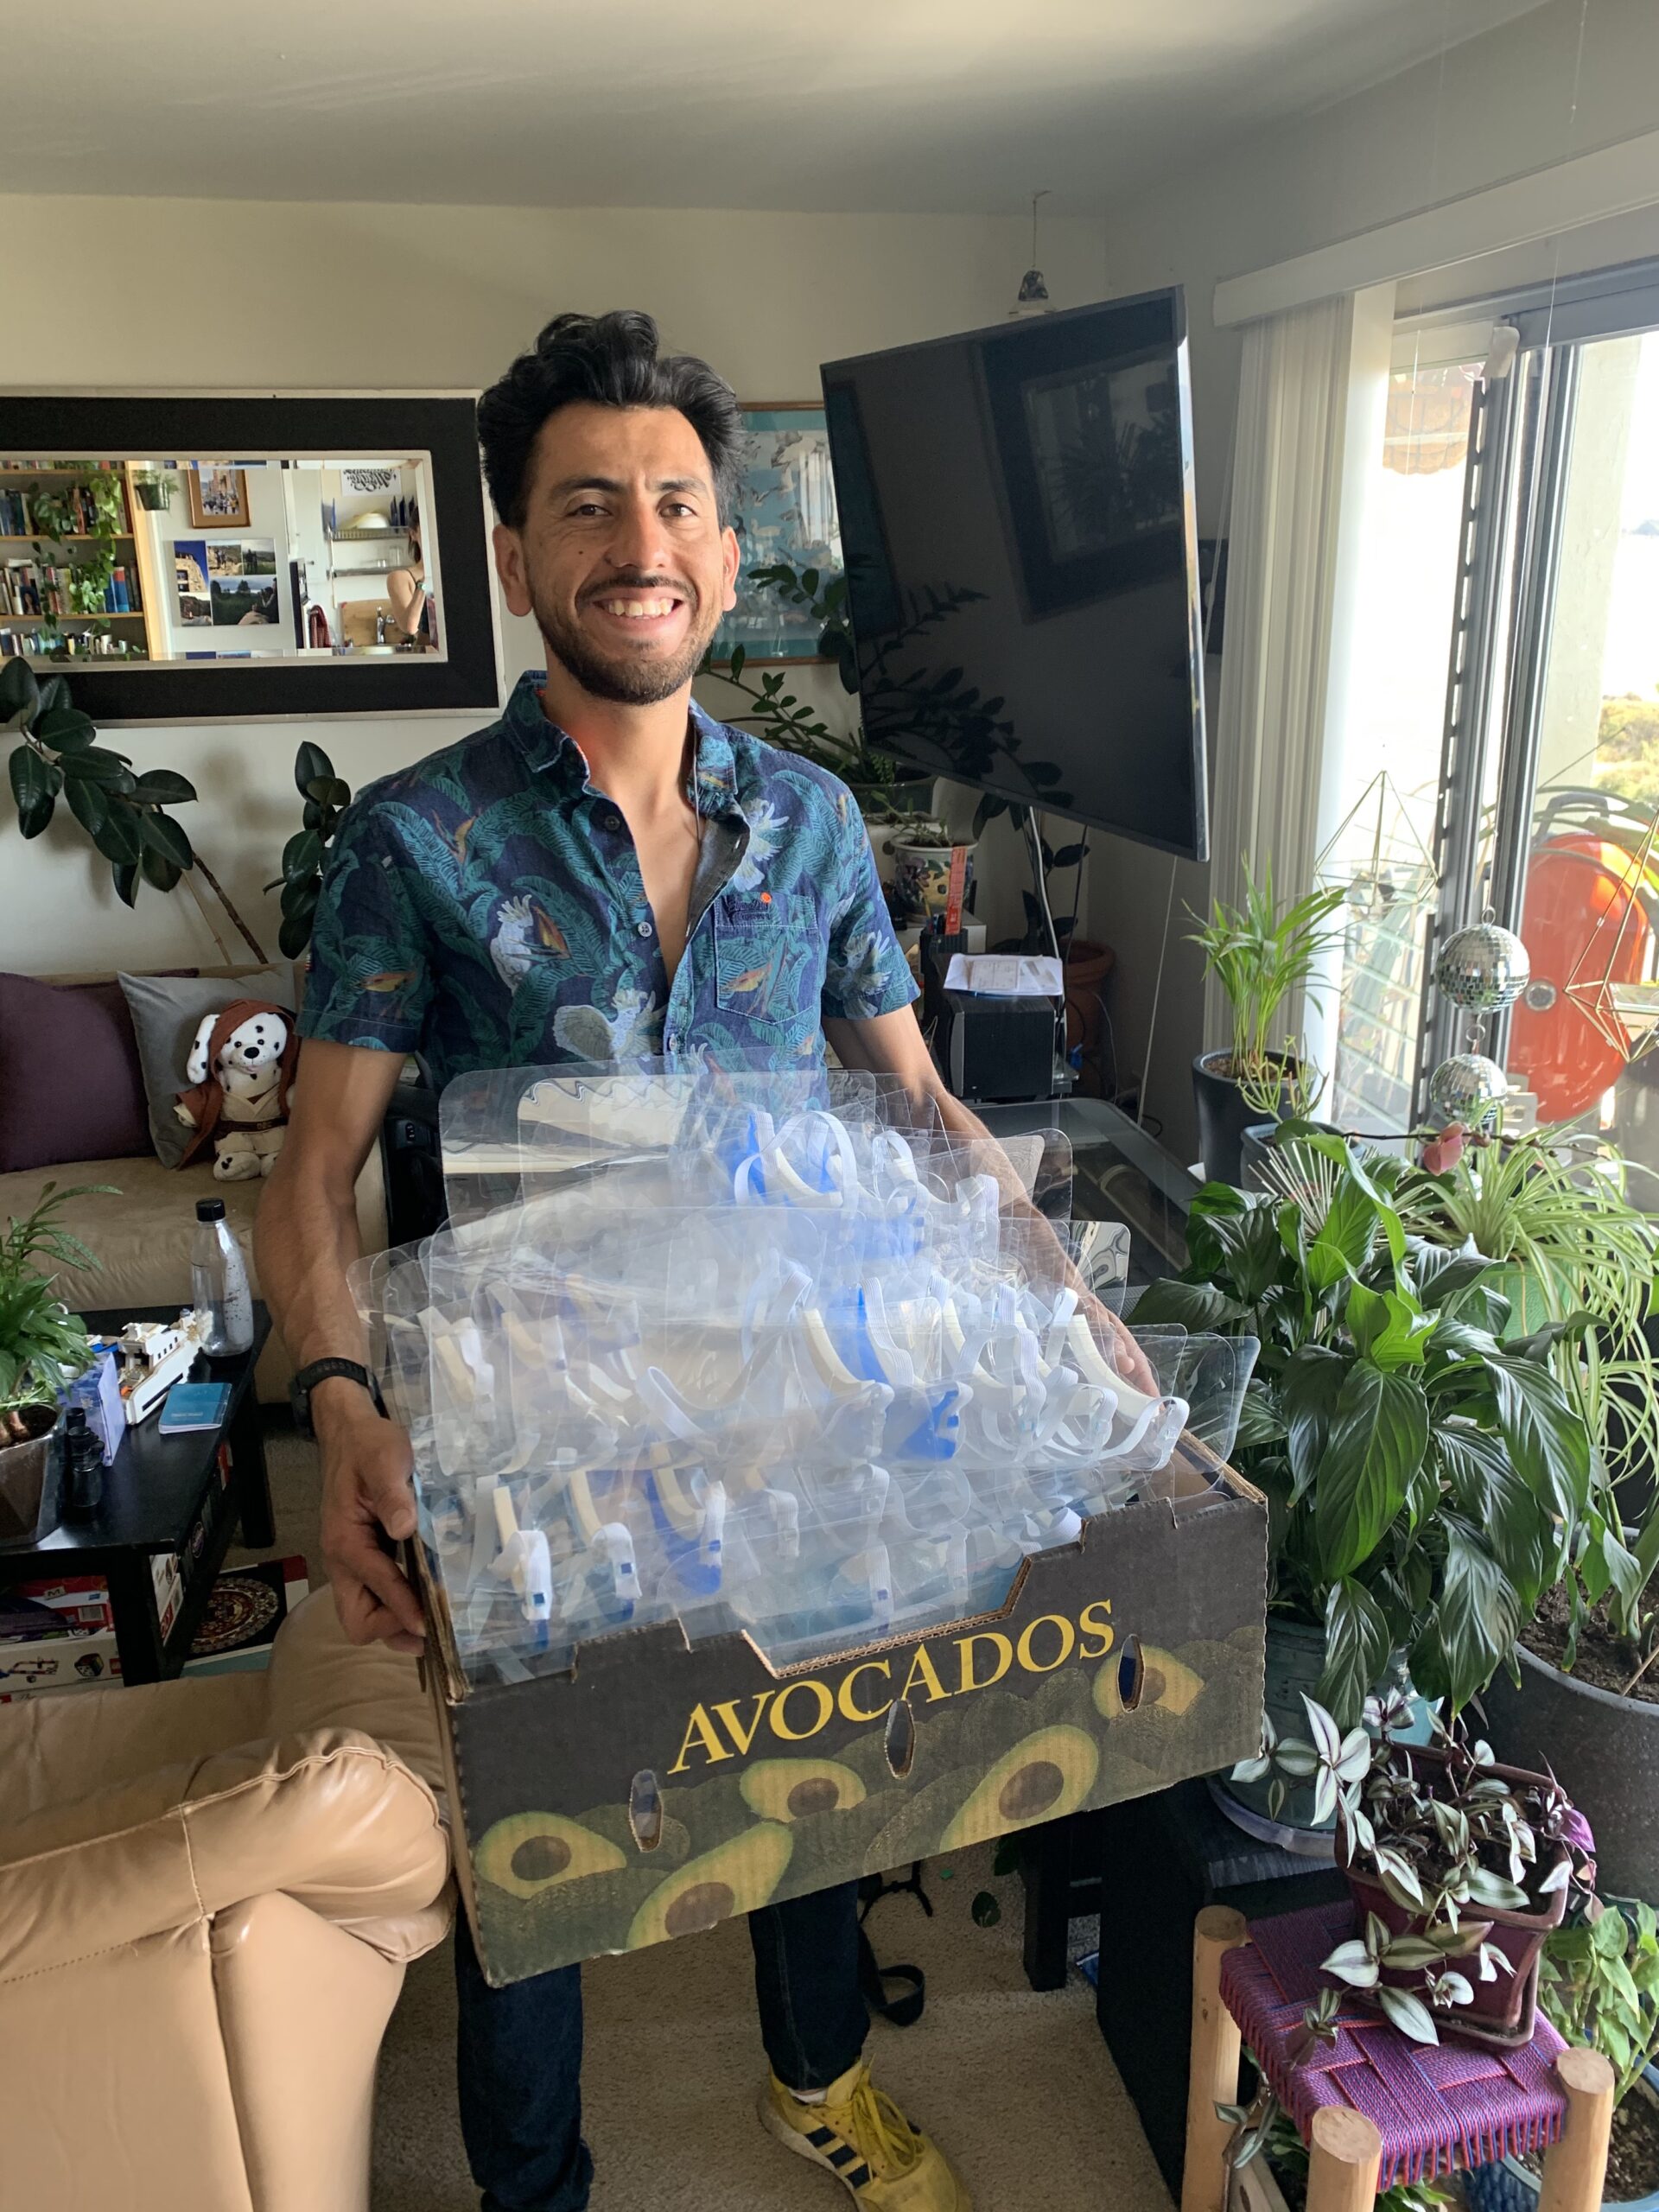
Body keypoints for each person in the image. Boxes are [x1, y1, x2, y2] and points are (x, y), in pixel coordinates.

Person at [257, 308, 1154, 2212]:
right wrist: (340, 1402)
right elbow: (314, 1167)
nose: (638, 540)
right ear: (517, 553)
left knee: (816, 1769)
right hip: (527, 1441)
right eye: (588, 502)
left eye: (674, 501)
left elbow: (918, 1110)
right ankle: (535, 2188)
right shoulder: (417, 841)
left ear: (727, 556)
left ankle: (815, 2074)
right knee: (548, 1827)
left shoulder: (817, 825)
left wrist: (1066, 1298)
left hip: (780, 1409)